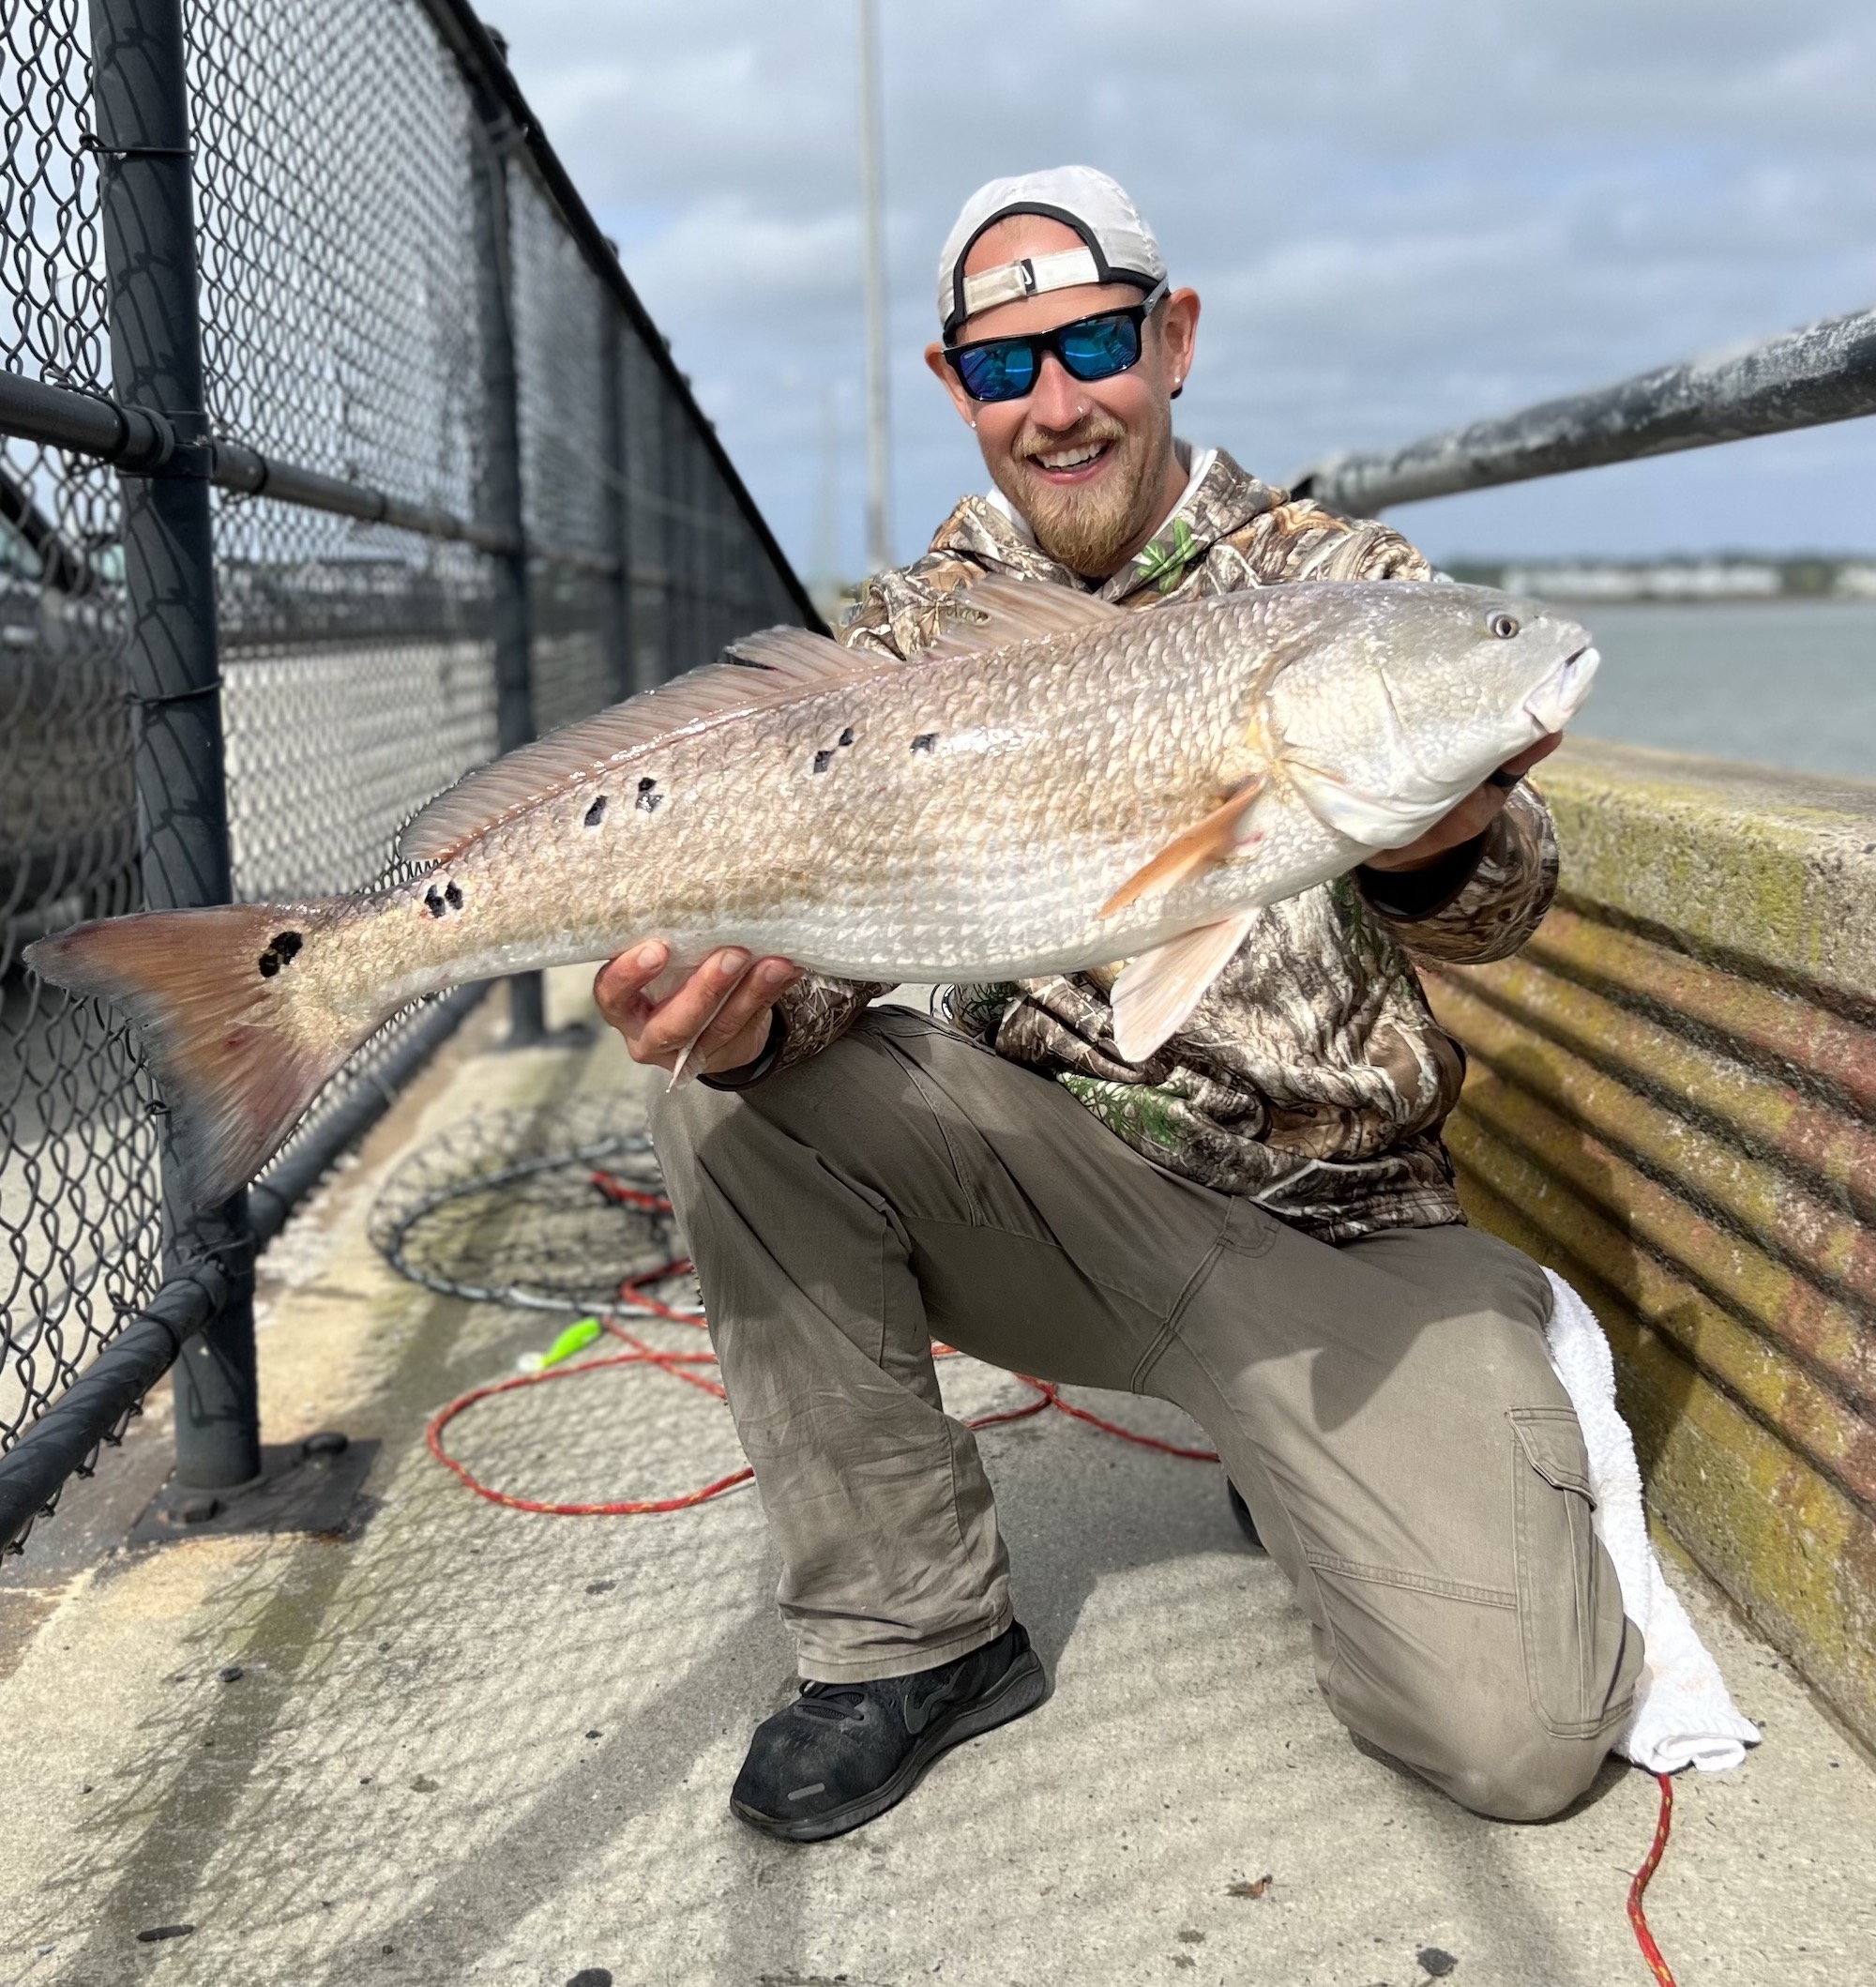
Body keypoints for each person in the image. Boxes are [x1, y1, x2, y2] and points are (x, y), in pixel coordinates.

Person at [595, 166, 1640, 1843]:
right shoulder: (913, 643)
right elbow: (819, 991)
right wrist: (738, 1018)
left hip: (1348, 1225)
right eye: (1007, 367)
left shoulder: (1339, 578)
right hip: (1060, 1212)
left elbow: (1511, 898)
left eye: (1094, 345)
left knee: (1523, 1739)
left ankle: (1297, 1450)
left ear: (1174, 337)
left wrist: (1440, 831)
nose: (1059, 403)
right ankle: (912, 1631)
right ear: (955, 387)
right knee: (723, 1095)